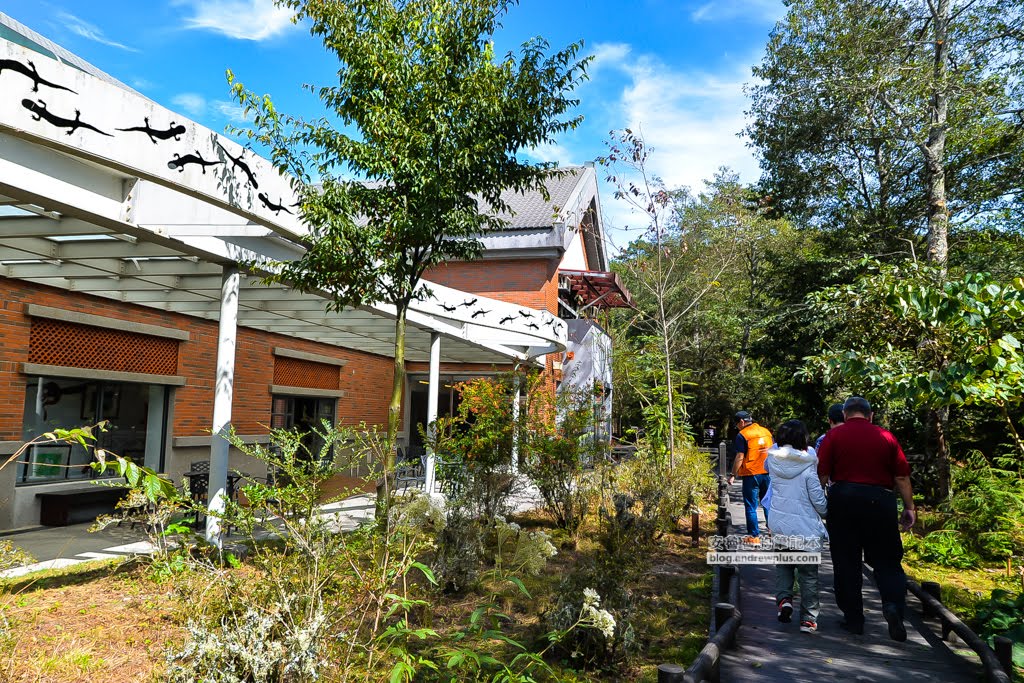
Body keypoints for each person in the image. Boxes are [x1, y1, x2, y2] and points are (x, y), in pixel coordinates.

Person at [817, 396, 916, 641]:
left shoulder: (834, 436)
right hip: (880, 501)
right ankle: (893, 606)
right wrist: (909, 507)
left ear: (845, 414)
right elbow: (902, 477)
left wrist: (817, 507)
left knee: (846, 561)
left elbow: (823, 474)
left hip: (844, 499)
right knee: (888, 561)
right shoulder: (887, 437)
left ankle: (854, 620)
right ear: (870, 415)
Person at [767, 420, 827, 633]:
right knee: (808, 575)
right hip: (805, 529)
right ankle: (808, 619)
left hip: (780, 525)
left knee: (784, 566)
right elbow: (819, 503)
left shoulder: (772, 462)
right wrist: (827, 511)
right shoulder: (808, 467)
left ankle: (784, 600)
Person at [728, 411, 773, 543]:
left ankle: (754, 536)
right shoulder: (766, 432)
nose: (737, 427)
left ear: (741, 422)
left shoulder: (742, 435)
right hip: (767, 472)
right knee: (768, 503)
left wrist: (732, 475)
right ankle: (772, 531)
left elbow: (740, 456)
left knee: (750, 506)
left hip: (751, 474)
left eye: (737, 424)